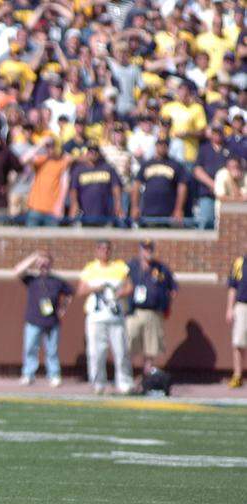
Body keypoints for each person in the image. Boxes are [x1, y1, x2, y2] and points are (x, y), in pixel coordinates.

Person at [77, 240, 134, 395]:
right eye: (102, 249)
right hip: (96, 317)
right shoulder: (90, 268)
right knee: (96, 353)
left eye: (108, 249)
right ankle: (98, 383)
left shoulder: (119, 267)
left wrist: (120, 293)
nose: (105, 252)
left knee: (121, 351)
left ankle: (124, 382)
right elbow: (80, 290)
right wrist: (96, 288)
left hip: (115, 316)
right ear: (96, 250)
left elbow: (129, 286)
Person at [13, 251, 72, 387]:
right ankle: (28, 375)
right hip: (33, 320)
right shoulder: (31, 279)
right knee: (30, 348)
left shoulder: (57, 281)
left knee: (52, 350)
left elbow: (69, 293)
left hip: (52, 322)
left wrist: (63, 308)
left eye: (46, 261)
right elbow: (17, 271)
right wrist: (34, 257)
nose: (43, 264)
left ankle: (54, 375)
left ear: (51, 263)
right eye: (41, 262)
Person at [125, 240, 177, 384]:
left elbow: (173, 288)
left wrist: (166, 302)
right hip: (135, 311)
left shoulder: (160, 268)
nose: (148, 252)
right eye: (145, 249)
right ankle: (127, 376)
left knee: (151, 347)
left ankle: (147, 378)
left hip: (154, 312)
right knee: (129, 342)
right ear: (140, 250)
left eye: (150, 249)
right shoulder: (131, 266)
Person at [131, 139, 186, 225]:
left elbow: (182, 187)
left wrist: (179, 209)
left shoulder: (176, 165)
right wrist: (135, 207)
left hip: (169, 213)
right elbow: (136, 185)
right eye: (160, 144)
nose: (162, 147)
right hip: (148, 212)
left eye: (164, 145)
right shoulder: (147, 164)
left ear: (168, 147)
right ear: (156, 146)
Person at [69, 146, 123, 227]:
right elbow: (73, 189)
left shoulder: (108, 168)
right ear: (86, 154)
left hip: (105, 213)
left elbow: (116, 186)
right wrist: (74, 203)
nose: (93, 154)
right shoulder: (78, 170)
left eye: (95, 152)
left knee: (105, 233)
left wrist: (118, 203)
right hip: (84, 214)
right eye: (90, 151)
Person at [225, 248, 247, 388]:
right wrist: (229, 308)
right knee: (238, 342)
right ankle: (237, 375)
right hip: (242, 306)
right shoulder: (240, 263)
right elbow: (232, 287)